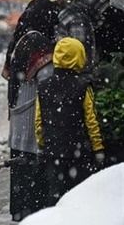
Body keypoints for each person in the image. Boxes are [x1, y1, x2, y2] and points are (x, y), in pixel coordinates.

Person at [2, 0, 59, 221]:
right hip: (31, 116)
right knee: (34, 168)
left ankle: (23, 212)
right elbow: (47, 77)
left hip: (19, 116)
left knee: (21, 170)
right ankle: (36, 217)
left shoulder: (19, 40)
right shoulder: (38, 42)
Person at [35, 37, 105, 208]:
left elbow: (38, 120)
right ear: (79, 56)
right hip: (78, 148)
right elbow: (91, 120)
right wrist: (98, 148)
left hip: (53, 148)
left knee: (56, 192)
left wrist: (42, 144)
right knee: (80, 191)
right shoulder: (82, 86)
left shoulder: (44, 86)